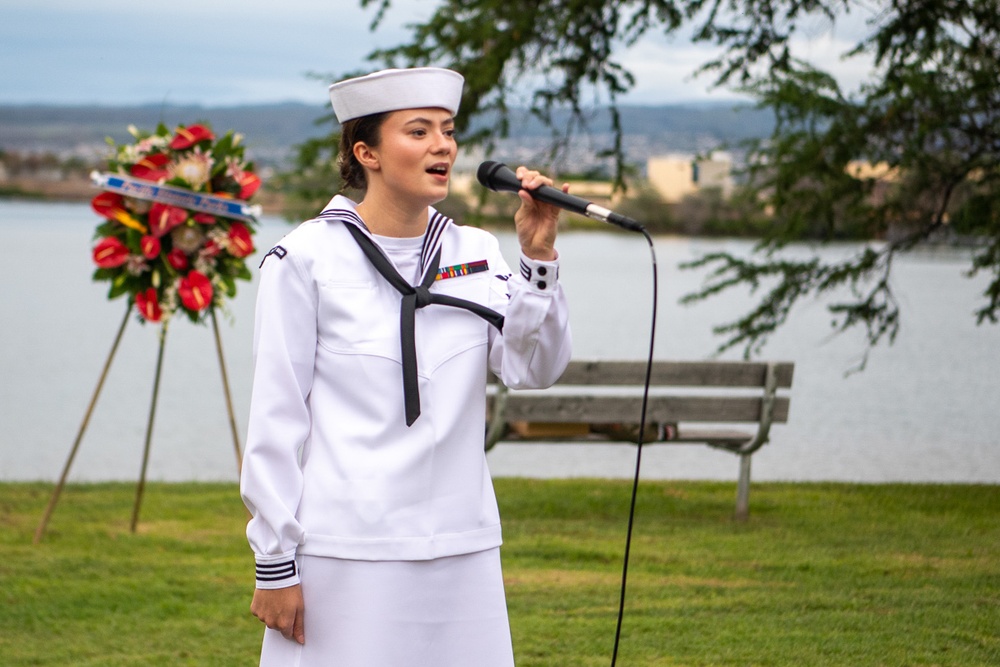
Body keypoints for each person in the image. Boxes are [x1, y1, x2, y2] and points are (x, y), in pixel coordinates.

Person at [240, 67, 572, 666]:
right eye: (418, 131)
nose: (442, 145)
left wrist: (538, 260)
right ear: (365, 151)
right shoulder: (304, 258)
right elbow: (276, 418)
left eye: (447, 131)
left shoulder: (475, 251)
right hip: (344, 550)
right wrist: (275, 562)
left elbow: (533, 368)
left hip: (460, 547)